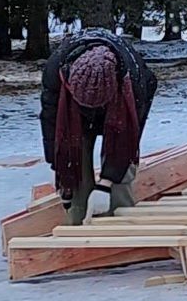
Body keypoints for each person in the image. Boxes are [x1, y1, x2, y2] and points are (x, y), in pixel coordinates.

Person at [40, 30, 158, 226]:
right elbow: (52, 128)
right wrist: (64, 180)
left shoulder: (134, 79)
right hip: (74, 120)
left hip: (119, 115)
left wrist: (106, 184)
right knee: (76, 168)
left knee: (122, 175)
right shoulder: (55, 70)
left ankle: (123, 228)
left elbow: (127, 142)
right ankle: (78, 230)